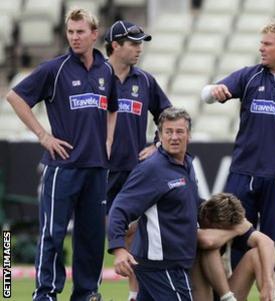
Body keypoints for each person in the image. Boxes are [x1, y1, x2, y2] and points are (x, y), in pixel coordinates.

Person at [5, 8, 118, 301]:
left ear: (95, 34)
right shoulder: (54, 69)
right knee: (53, 234)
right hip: (63, 167)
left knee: (92, 238)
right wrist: (43, 136)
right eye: (70, 32)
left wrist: (107, 140)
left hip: (96, 167)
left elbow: (113, 108)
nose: (75, 38)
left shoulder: (106, 70)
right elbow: (14, 96)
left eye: (81, 32)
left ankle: (87, 293)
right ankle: (45, 294)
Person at [200, 21, 275, 285]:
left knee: (273, 244)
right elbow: (206, 94)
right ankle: (236, 292)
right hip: (241, 174)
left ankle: (272, 291)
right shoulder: (251, 76)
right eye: (261, 43)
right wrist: (214, 92)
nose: (262, 49)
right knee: (235, 238)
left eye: (267, 44)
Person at [104, 20, 171, 301]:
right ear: (115, 46)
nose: (139, 48)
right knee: (90, 233)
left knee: (132, 233)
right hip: (97, 169)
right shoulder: (93, 76)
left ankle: (134, 295)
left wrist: (157, 144)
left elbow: (168, 114)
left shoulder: (144, 80)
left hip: (132, 170)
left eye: (140, 43)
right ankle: (88, 292)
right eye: (133, 43)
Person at [108, 107, 199, 301]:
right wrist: (119, 249)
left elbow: (189, 204)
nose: (174, 137)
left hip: (174, 261)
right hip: (161, 265)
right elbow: (119, 208)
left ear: (189, 135)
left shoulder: (187, 164)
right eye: (168, 132)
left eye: (179, 131)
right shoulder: (151, 169)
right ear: (159, 135)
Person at [192, 193, 275, 301]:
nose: (225, 233)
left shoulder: (228, 220)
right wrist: (235, 231)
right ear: (207, 219)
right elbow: (207, 241)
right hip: (196, 291)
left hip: (221, 290)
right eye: (222, 230)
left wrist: (267, 280)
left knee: (257, 255)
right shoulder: (191, 211)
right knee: (209, 248)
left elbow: (267, 243)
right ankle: (228, 298)